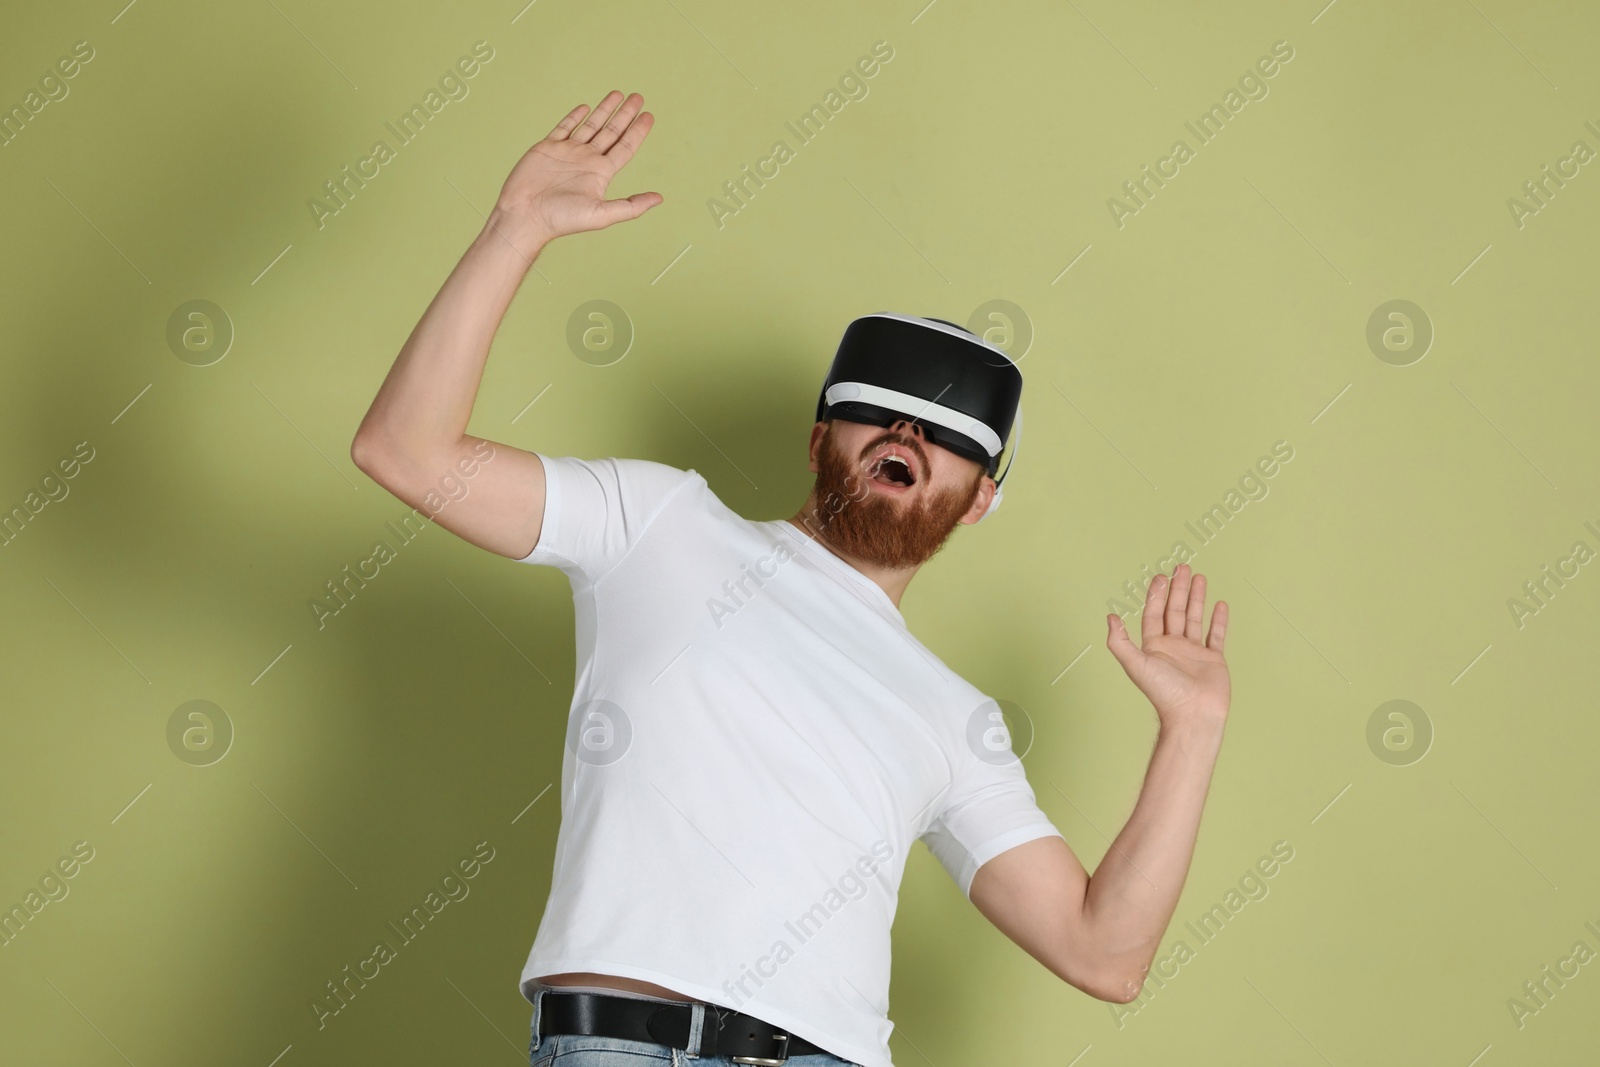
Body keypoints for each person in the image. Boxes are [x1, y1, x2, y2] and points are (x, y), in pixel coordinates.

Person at [351, 90, 1233, 1067]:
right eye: (880, 412)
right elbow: (407, 449)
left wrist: (1191, 730)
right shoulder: (658, 523)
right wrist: (513, 230)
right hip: (625, 1042)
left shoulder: (953, 717)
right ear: (821, 438)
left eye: (944, 436)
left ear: (979, 498)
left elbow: (1101, 952)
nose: (908, 433)